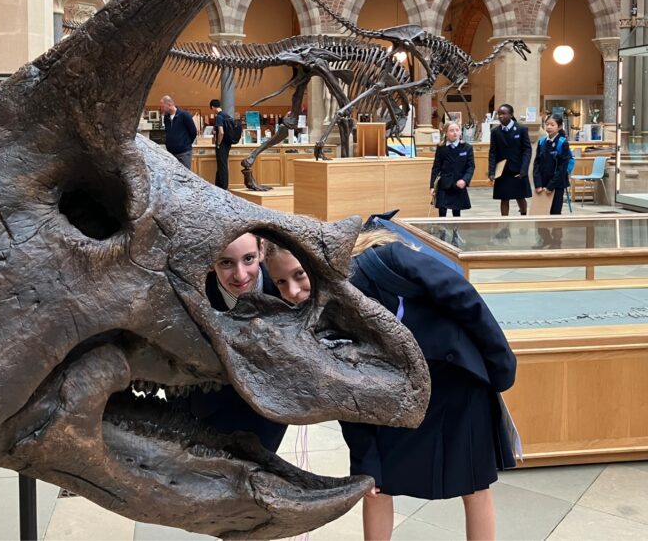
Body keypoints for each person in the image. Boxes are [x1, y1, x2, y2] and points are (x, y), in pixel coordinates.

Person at [265, 233, 517, 541]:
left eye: (299, 274)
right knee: (376, 485)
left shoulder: (385, 262)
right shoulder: (314, 321)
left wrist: (500, 363)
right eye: (280, 282)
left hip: (454, 380)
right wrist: (365, 458)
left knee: (474, 484)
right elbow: (347, 394)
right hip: (391, 397)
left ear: (315, 260)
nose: (292, 291)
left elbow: (463, 297)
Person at [185, 233, 287, 452]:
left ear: (261, 250)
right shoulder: (192, 293)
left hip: (268, 413)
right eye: (226, 263)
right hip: (207, 409)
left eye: (248, 259)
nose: (240, 275)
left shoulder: (283, 285)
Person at [533, 114, 571, 247]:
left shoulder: (562, 143)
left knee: (555, 213)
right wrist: (538, 184)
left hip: (557, 185)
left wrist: (550, 186)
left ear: (559, 127)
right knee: (540, 213)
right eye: (547, 124)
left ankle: (556, 242)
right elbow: (536, 164)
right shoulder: (542, 142)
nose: (549, 127)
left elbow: (562, 168)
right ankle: (545, 239)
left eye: (552, 124)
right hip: (542, 184)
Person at [488, 104, 532, 217]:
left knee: (520, 197)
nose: (500, 116)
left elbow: (527, 150)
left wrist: (524, 169)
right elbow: (493, 153)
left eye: (503, 114)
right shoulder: (495, 132)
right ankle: (504, 223)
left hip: (518, 170)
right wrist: (492, 171)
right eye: (499, 114)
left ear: (511, 115)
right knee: (504, 198)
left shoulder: (521, 129)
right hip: (502, 171)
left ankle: (523, 215)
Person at [430, 120, 474, 218]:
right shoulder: (441, 148)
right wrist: (432, 186)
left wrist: (465, 180)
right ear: (446, 133)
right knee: (442, 212)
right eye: (451, 130)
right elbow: (436, 168)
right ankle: (442, 228)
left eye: (457, 130)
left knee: (456, 213)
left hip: (458, 184)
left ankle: (456, 228)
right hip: (444, 184)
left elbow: (470, 167)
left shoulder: (467, 147)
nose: (455, 133)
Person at [160, 95, 197, 169]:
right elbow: (167, 132)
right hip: (171, 154)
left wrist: (185, 143)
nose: (161, 109)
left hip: (184, 153)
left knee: (185, 175)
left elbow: (193, 131)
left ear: (169, 105)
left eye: (162, 106)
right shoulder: (166, 118)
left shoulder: (184, 115)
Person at [210, 99, 231, 189]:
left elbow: (221, 132)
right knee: (222, 165)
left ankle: (223, 187)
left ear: (212, 107)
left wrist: (218, 143)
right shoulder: (227, 115)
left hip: (222, 145)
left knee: (222, 166)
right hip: (227, 144)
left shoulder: (219, 117)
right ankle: (219, 185)